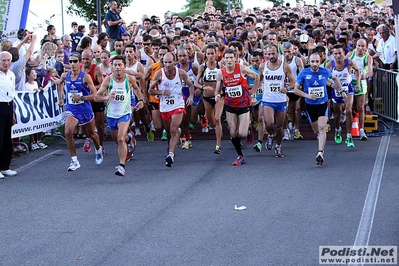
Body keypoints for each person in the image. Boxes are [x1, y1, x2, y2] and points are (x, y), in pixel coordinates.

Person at [95, 55, 145, 176]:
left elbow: (137, 90)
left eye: (119, 65)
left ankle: (121, 166)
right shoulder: (108, 80)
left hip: (125, 113)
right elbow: (97, 97)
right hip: (112, 115)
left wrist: (141, 100)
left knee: (120, 138)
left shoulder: (130, 79)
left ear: (124, 66)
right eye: (115, 65)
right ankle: (130, 138)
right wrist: (107, 97)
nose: (117, 67)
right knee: (117, 139)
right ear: (112, 67)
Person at [57, 52, 104, 171]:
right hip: (72, 109)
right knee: (68, 132)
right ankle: (74, 160)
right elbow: (60, 84)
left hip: (85, 109)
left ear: (80, 63)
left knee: (91, 134)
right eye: (70, 61)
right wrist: (60, 98)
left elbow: (95, 95)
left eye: (75, 61)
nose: (72, 64)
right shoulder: (65, 75)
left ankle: (98, 149)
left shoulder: (85, 77)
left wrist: (81, 98)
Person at [294, 53, 342, 165]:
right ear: (309, 62)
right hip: (310, 105)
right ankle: (320, 139)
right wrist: (307, 96)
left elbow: (335, 79)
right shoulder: (304, 73)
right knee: (316, 130)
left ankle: (320, 152)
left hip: (322, 103)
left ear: (320, 62)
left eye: (317, 61)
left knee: (322, 127)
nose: (315, 64)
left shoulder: (325, 71)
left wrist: (342, 91)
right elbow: (296, 90)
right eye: (312, 61)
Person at [214, 48, 260, 166]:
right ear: (223, 59)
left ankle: (248, 128)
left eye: (231, 57)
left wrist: (253, 94)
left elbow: (257, 77)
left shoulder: (242, 68)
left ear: (235, 58)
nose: (229, 60)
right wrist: (217, 95)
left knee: (242, 134)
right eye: (227, 58)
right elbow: (217, 89)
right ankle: (240, 156)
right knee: (233, 133)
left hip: (244, 104)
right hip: (230, 105)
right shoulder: (221, 72)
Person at [148, 52, 194, 167]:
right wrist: (161, 92)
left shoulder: (181, 73)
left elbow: (190, 85)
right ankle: (172, 143)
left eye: (170, 62)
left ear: (175, 62)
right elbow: (150, 90)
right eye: (165, 62)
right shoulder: (159, 74)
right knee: (169, 132)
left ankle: (171, 155)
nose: (167, 64)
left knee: (173, 129)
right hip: (165, 106)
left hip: (178, 104)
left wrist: (191, 97)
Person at [259, 44, 295, 158]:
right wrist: (253, 91)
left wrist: (287, 88)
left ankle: (278, 146)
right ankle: (270, 135)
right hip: (268, 99)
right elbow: (258, 79)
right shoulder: (262, 66)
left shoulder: (285, 66)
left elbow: (293, 81)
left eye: (273, 53)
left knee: (279, 127)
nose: (271, 56)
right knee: (269, 124)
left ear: (278, 54)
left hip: (280, 100)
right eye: (268, 54)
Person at [326, 45, 361, 148]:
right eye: (335, 54)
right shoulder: (330, 64)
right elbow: (323, 77)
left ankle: (349, 136)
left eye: (340, 53)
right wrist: (330, 84)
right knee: (337, 113)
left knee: (349, 110)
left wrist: (358, 83)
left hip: (348, 88)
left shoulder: (349, 63)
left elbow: (358, 70)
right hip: (336, 90)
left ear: (344, 54)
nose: (338, 56)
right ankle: (337, 129)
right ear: (333, 55)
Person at [194, 44, 224, 154]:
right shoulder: (203, 67)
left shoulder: (220, 66)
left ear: (217, 54)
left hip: (218, 96)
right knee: (212, 123)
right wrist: (202, 87)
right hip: (207, 97)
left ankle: (218, 145)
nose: (210, 56)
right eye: (208, 54)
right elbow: (196, 82)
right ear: (206, 55)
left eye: (212, 53)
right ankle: (212, 125)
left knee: (217, 119)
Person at [347, 38, 373, 141]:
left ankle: (362, 130)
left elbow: (371, 70)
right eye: (358, 45)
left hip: (361, 84)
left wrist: (365, 75)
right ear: (355, 45)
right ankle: (349, 131)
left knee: (360, 107)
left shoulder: (368, 57)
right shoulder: (350, 54)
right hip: (350, 83)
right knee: (349, 108)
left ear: (366, 47)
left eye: (363, 46)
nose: (360, 48)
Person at [81, 50, 105, 154]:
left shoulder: (96, 68)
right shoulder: (79, 68)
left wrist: (92, 87)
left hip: (96, 100)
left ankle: (100, 146)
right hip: (85, 101)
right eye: (83, 59)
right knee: (84, 123)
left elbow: (103, 84)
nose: (85, 61)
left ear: (92, 58)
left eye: (87, 59)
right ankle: (88, 137)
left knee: (99, 125)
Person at [0, 51, 18, 178]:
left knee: (7, 139)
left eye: (8, 61)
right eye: (3, 60)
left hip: (8, 106)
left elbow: (11, 95)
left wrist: (12, 114)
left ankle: (5, 166)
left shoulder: (11, 75)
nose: (6, 63)